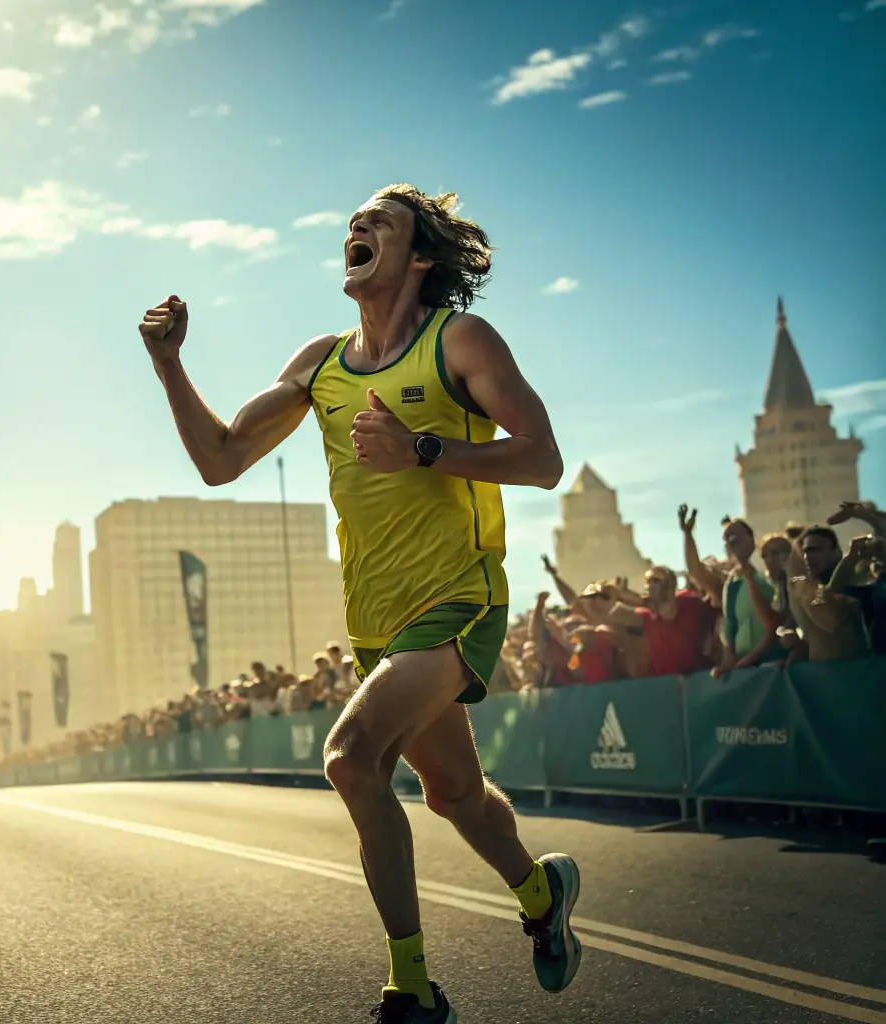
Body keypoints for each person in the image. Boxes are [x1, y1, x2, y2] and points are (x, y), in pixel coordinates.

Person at [140, 183, 579, 1022]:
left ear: (418, 257)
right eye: (353, 221)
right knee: (453, 796)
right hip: (375, 621)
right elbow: (221, 460)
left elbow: (542, 458)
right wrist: (169, 365)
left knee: (349, 759)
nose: (358, 226)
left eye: (380, 219)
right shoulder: (321, 363)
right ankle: (540, 893)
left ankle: (412, 991)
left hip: (460, 596)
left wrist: (423, 449)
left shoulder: (461, 340)